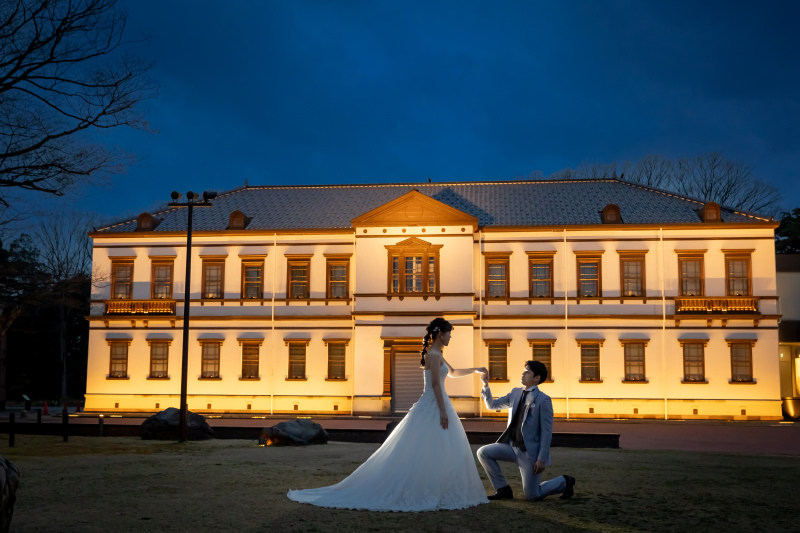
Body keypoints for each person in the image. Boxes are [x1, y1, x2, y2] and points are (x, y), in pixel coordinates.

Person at [287, 318, 490, 511]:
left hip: (436, 403)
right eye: (448, 334)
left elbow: (452, 373)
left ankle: (440, 487)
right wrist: (443, 411)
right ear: (440, 335)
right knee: (426, 446)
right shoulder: (433, 355)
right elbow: (436, 385)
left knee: (437, 447)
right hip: (435, 404)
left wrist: (476, 370)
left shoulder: (438, 353)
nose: (450, 337)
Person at [477, 360, 576, 501]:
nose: (523, 373)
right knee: (483, 452)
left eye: (527, 371)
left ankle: (564, 482)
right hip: (511, 447)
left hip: (530, 454)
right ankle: (503, 489)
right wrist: (485, 385)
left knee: (532, 496)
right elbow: (492, 405)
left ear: (537, 378)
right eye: (524, 370)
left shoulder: (544, 400)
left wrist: (541, 459)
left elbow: (546, 432)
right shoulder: (515, 393)